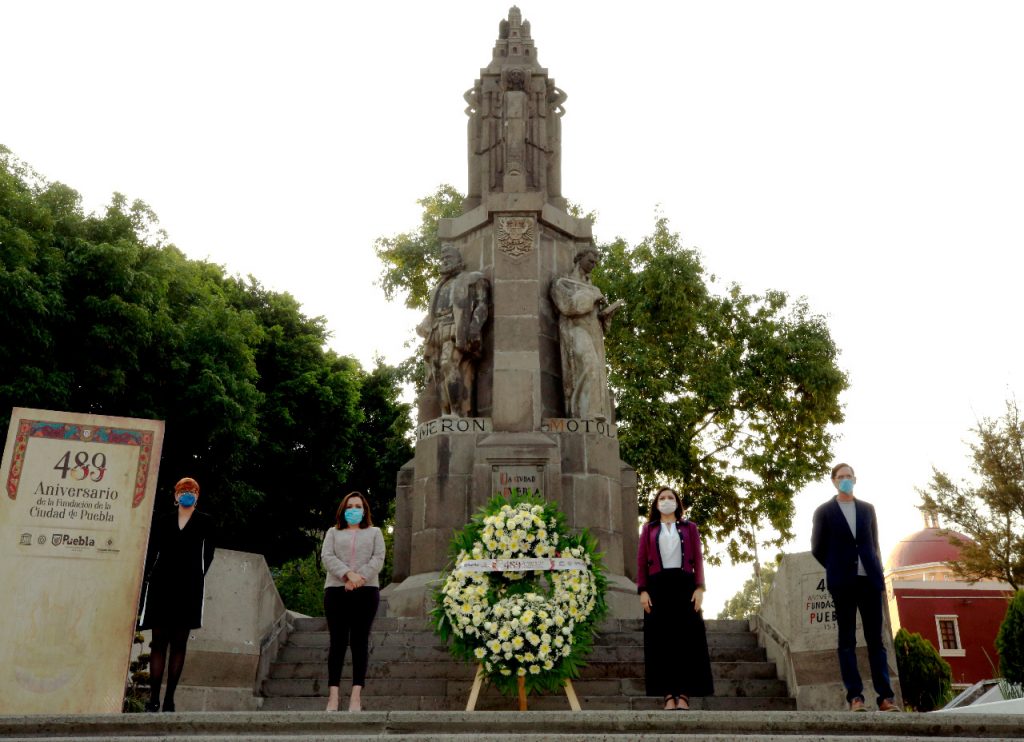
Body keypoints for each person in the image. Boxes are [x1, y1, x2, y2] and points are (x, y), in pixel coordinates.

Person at [811, 463, 901, 712]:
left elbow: (874, 543)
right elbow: (817, 547)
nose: (846, 480)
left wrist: (877, 573)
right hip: (843, 584)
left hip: (869, 581)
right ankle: (855, 697)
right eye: (841, 477)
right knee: (847, 640)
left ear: (855, 479)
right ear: (833, 481)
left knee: (876, 641)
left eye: (849, 476)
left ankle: (885, 698)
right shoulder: (824, 512)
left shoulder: (867, 509)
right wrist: (836, 567)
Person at [138, 477, 216, 712]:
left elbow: (208, 555)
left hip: (189, 585)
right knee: (158, 642)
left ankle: (170, 698)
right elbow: (152, 552)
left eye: (191, 490)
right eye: (183, 490)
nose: (186, 494)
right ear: (175, 495)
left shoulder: (205, 522)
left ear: (197, 495)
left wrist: (197, 577)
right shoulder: (162, 521)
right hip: (161, 583)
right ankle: (153, 698)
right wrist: (145, 583)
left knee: (179, 643)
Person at [636, 486, 714, 710]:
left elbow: (698, 559)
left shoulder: (690, 528)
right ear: (656, 503)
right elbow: (641, 562)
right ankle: (668, 695)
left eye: (671, 497)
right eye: (662, 497)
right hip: (657, 588)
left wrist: (700, 588)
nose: (667, 500)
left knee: (686, 641)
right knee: (662, 642)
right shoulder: (648, 529)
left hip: (685, 587)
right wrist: (643, 591)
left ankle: (685, 694)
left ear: (677, 503)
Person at [321, 492, 386, 712]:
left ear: (365, 509)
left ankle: (356, 696)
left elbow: (378, 558)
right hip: (336, 591)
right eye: (350, 506)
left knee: (359, 642)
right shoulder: (333, 532)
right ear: (343, 509)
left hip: (366, 591)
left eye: (358, 506)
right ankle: (333, 696)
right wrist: (347, 574)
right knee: (337, 642)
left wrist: (360, 578)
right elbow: (327, 557)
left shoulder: (375, 532)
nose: (354, 509)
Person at [416, 243, 490, 417]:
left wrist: (474, 328)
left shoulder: (473, 278)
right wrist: (423, 325)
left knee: (449, 364)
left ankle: (457, 412)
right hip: (435, 331)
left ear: (459, 260)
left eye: (448, 258)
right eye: (442, 259)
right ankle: (445, 413)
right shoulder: (438, 287)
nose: (444, 262)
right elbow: (432, 313)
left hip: (455, 328)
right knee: (437, 372)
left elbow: (482, 306)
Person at [549, 245, 622, 421]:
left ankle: (592, 412)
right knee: (590, 364)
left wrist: (605, 317)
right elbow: (569, 306)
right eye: (590, 261)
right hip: (575, 330)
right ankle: (582, 412)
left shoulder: (593, 288)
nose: (593, 265)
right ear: (579, 259)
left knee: (596, 369)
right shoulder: (562, 282)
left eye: (596, 263)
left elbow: (598, 320)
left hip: (594, 333)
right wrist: (592, 297)